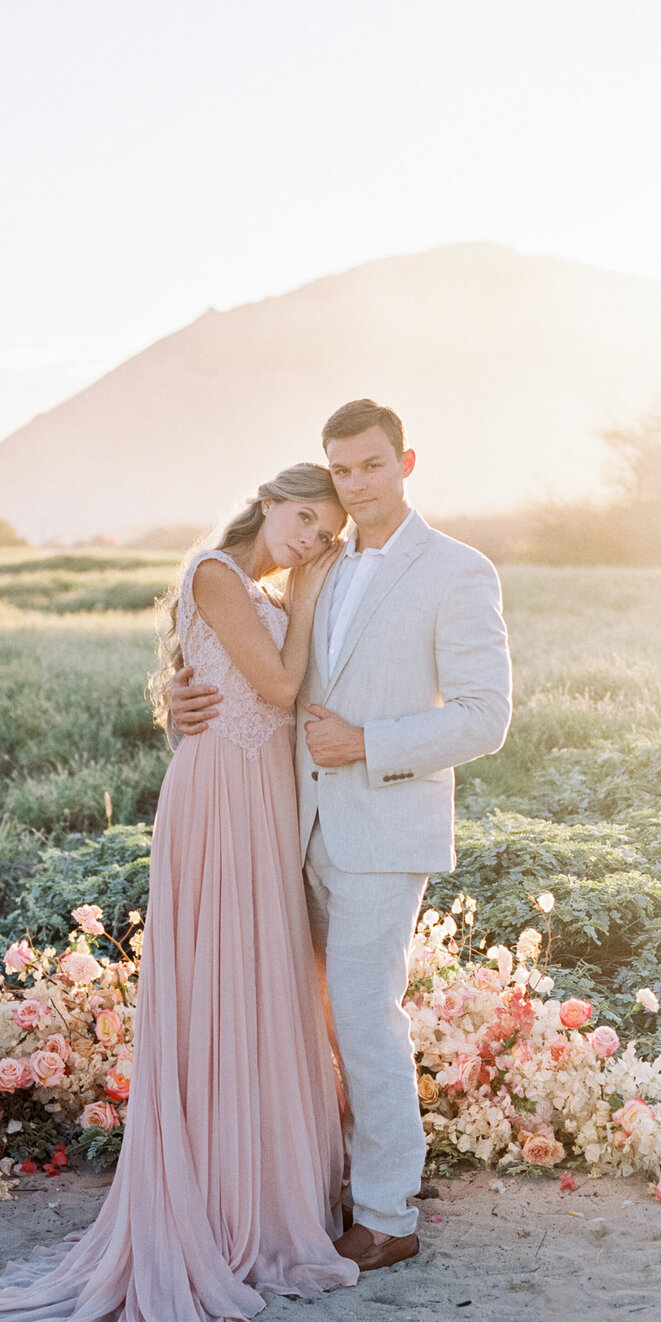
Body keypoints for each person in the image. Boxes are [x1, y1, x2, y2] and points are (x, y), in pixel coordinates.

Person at [0, 463, 358, 1322]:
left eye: (325, 527)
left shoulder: (256, 592)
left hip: (259, 806)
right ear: (269, 499)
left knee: (259, 992)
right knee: (220, 987)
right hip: (217, 807)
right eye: (303, 515)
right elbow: (274, 682)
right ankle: (216, 1198)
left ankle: (261, 1195)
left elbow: (240, 692)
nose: (309, 535)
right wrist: (304, 597)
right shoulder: (223, 572)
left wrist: (270, 626)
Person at [170, 400, 512, 1272]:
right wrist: (177, 707)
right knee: (304, 1019)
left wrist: (368, 744)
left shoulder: (458, 571)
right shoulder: (311, 566)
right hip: (287, 829)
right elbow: (249, 681)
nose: (355, 485)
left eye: (369, 467)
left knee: (363, 1015)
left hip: (384, 823)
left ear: (404, 461)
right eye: (340, 470)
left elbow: (486, 717)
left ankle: (389, 1214)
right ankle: (333, 1183)